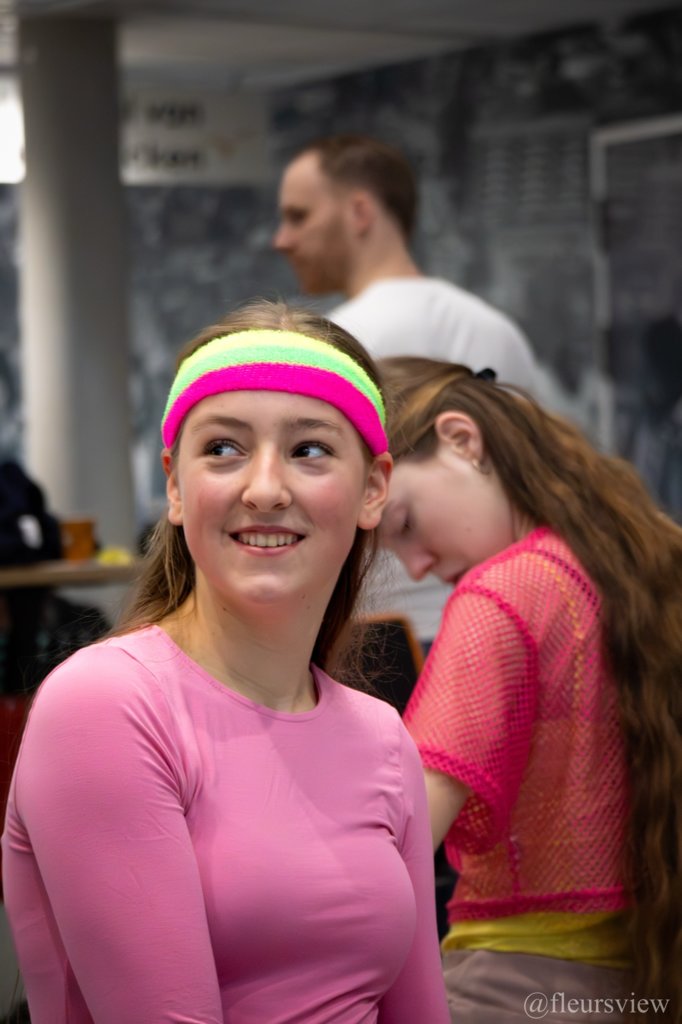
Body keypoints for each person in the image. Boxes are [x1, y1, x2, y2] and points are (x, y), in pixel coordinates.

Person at [1, 302, 450, 1024]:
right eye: (223, 448)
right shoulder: (107, 705)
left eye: (310, 450)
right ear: (176, 487)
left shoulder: (383, 738)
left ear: (373, 488)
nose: (265, 488)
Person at [377, 356, 682, 1023]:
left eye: (404, 526)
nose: (417, 567)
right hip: (645, 975)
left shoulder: (501, 594)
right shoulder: (641, 573)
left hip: (510, 989)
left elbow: (402, 833)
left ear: (462, 439)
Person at [273, 133, 537, 649]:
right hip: (503, 620)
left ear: (360, 212)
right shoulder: (496, 330)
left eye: (298, 216)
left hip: (378, 641)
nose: (281, 239)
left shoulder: (327, 350)